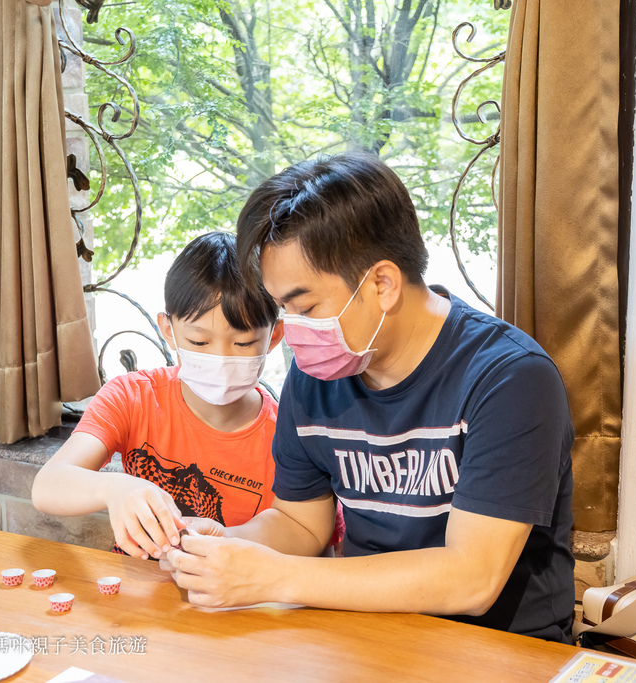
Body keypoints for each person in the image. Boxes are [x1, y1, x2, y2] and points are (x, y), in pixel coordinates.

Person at [161, 153, 576, 643]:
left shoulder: (509, 379)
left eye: (306, 306)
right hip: (363, 637)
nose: (292, 331)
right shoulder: (318, 373)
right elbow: (301, 522)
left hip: (498, 649)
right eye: (282, 310)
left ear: (382, 283)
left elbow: (472, 578)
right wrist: (221, 548)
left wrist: (271, 577)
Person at [31, 231, 285, 560]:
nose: (221, 358)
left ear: (274, 336)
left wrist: (226, 542)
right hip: (136, 592)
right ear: (168, 330)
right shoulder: (132, 397)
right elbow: (48, 485)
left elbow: (300, 532)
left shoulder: (284, 436)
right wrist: (114, 488)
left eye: (244, 344)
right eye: (198, 342)